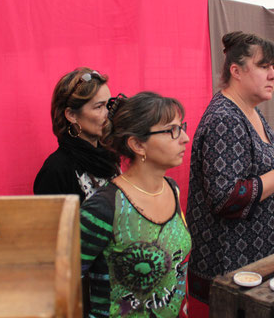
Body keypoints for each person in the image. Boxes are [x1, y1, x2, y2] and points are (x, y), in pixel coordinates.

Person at [186, 31, 274, 313]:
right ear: (236, 71)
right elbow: (225, 198)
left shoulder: (250, 110)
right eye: (264, 66)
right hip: (232, 267)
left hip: (257, 264)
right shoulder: (225, 119)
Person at [80, 91, 192, 318]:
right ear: (138, 145)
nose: (185, 138)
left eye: (182, 127)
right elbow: (60, 278)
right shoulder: (105, 208)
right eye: (172, 130)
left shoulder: (171, 188)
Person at [34, 68, 120, 203]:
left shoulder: (110, 157)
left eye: (108, 105)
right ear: (71, 115)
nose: (108, 114)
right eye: (99, 107)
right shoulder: (56, 170)